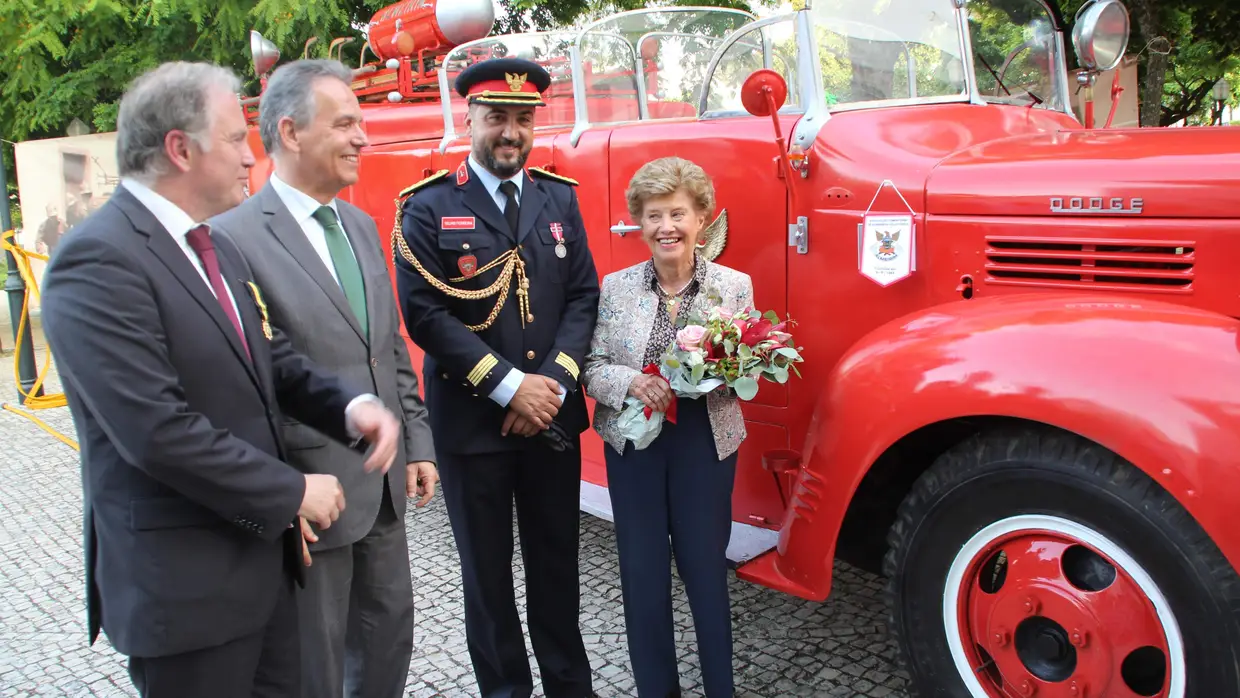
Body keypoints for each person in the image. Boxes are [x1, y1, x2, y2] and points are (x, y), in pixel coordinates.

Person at [38, 61, 402, 698]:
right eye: (236, 139)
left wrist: (351, 407)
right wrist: (290, 490)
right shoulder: (98, 261)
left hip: (265, 568)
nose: (250, 154)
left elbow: (273, 360)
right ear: (180, 149)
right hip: (186, 592)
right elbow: (155, 430)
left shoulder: (213, 246)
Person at [210, 58, 439, 698]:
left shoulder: (361, 225)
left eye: (361, 122)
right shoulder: (232, 239)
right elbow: (249, 382)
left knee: (390, 645)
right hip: (311, 504)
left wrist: (417, 442)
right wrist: (279, 493)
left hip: (385, 490)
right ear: (290, 132)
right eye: (345, 124)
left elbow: (388, 346)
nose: (363, 138)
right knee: (315, 669)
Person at [393, 57, 601, 698]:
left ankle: (571, 687)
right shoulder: (427, 207)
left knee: (556, 566)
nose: (510, 132)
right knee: (487, 578)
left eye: (521, 119)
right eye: (496, 119)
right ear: (470, 121)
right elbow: (426, 316)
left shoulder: (557, 196)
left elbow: (582, 298)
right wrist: (513, 387)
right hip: (474, 423)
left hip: (551, 421)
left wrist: (553, 386)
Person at [581, 157, 752, 698]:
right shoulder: (617, 288)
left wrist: (724, 365)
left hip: (704, 441)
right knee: (643, 575)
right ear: (640, 224)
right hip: (634, 445)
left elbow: (747, 365)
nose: (666, 228)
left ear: (701, 218)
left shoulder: (734, 286)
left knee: (705, 573)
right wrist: (632, 381)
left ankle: (720, 689)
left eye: (677, 213)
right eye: (653, 216)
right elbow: (592, 365)